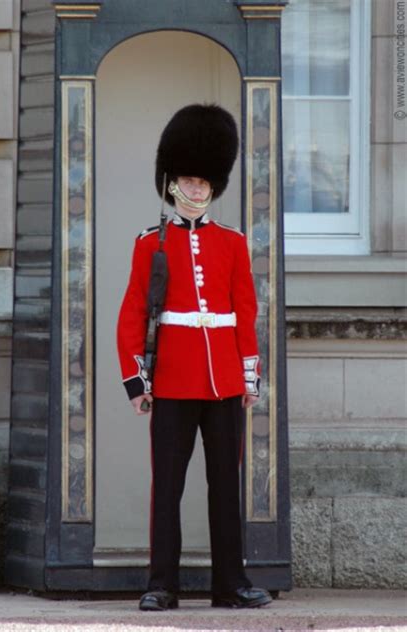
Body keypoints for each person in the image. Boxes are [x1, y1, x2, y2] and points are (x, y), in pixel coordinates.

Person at [117, 104, 271, 611]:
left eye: (206, 182)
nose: (199, 189)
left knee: (226, 486)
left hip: (224, 380)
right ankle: (162, 584)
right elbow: (133, 314)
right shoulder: (149, 244)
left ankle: (230, 584)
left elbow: (243, 313)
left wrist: (249, 374)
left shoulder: (232, 243)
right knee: (169, 489)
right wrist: (138, 382)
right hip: (174, 379)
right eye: (189, 179)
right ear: (172, 183)